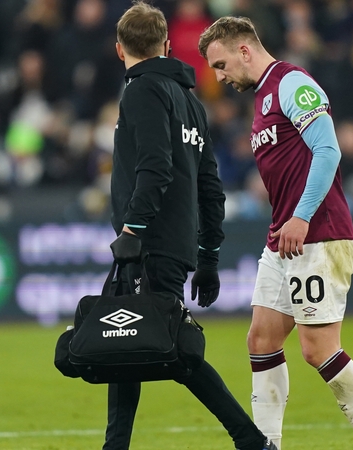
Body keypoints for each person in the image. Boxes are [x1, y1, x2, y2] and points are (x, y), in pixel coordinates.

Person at [198, 17, 353, 450]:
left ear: (245, 50)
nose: (219, 76)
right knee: (262, 338)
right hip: (283, 237)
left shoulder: (292, 83)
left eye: (221, 64)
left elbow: (328, 149)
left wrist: (302, 216)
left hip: (317, 233)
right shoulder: (262, 96)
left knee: (318, 348)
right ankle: (267, 444)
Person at [106, 4, 274, 450]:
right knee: (148, 346)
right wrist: (209, 257)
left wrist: (131, 232)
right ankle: (250, 442)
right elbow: (210, 188)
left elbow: (155, 168)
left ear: (118, 48)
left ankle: (251, 442)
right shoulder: (192, 103)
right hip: (175, 244)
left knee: (150, 347)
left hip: (148, 243)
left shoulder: (141, 91)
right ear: (166, 45)